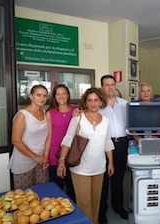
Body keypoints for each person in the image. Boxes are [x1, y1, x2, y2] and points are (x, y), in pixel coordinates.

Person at [57, 87, 114, 224]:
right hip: (80, 168)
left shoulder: (105, 120)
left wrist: (110, 162)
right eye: (90, 100)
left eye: (96, 100)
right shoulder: (78, 118)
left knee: (96, 201)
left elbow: (107, 142)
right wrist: (62, 161)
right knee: (84, 202)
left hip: (99, 168)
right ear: (85, 102)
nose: (93, 103)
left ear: (101, 102)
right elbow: (68, 139)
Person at [99, 75, 129, 223]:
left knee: (119, 178)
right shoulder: (97, 105)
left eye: (112, 84)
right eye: (106, 85)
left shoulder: (124, 104)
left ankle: (118, 206)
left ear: (115, 86)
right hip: (103, 145)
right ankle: (102, 211)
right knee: (103, 180)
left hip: (122, 143)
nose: (110, 87)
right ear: (102, 87)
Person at [9, 84, 49, 189]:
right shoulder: (22, 115)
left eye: (45, 96)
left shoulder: (45, 114)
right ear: (31, 96)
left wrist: (44, 156)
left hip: (41, 162)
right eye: (38, 95)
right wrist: (35, 157)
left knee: (42, 195)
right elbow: (16, 140)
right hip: (23, 162)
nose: (42, 98)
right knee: (24, 198)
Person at [46, 84, 76, 202]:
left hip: (73, 154)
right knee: (56, 188)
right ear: (54, 97)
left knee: (72, 189)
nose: (61, 96)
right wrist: (45, 155)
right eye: (58, 94)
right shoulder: (50, 113)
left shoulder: (76, 110)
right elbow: (48, 136)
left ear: (68, 95)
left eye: (64, 93)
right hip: (55, 154)